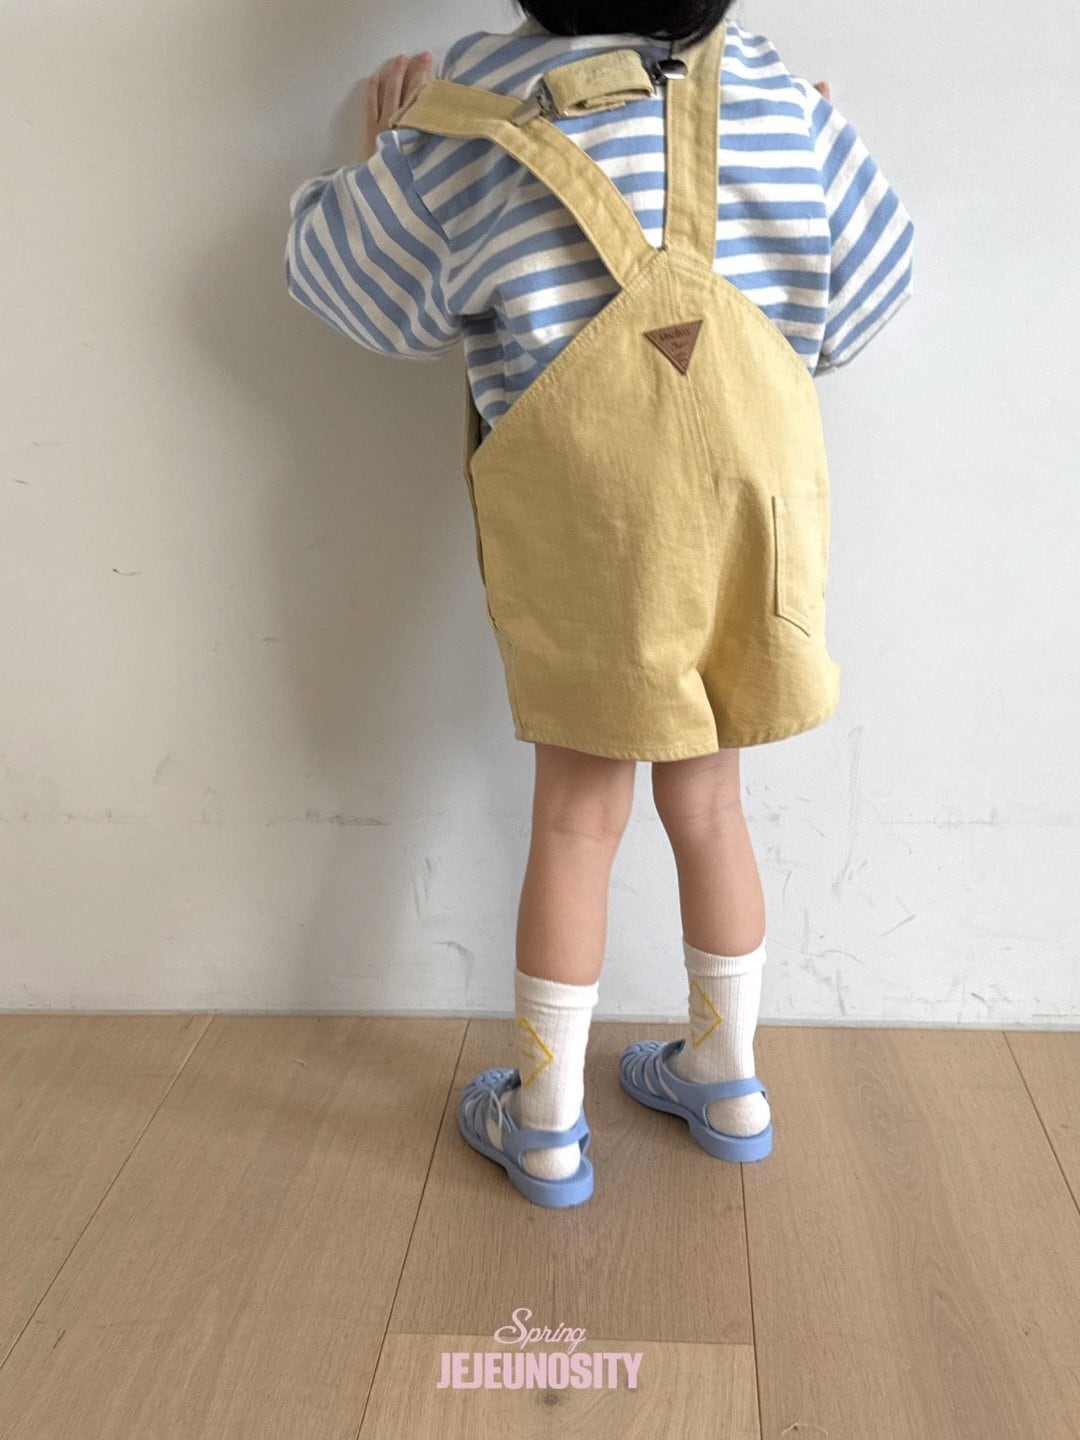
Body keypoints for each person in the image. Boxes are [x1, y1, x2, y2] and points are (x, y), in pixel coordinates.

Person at [285, 1, 915, 1208]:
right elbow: (876, 288)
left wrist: (375, 162)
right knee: (713, 805)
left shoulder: (467, 113)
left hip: (591, 528)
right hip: (746, 525)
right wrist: (811, 157)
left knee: (578, 820)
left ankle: (545, 1121)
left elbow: (344, 284)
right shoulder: (777, 97)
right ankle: (729, 1082)